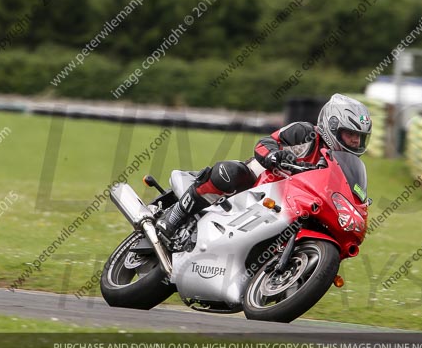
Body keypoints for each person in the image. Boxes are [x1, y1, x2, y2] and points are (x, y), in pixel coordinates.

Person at [155, 93, 372, 239]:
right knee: (231, 172)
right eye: (350, 134)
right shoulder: (306, 133)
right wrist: (275, 157)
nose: (355, 142)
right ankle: (174, 217)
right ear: (332, 126)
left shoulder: (346, 166)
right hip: (261, 182)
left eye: (359, 137)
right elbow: (265, 143)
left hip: (292, 204)